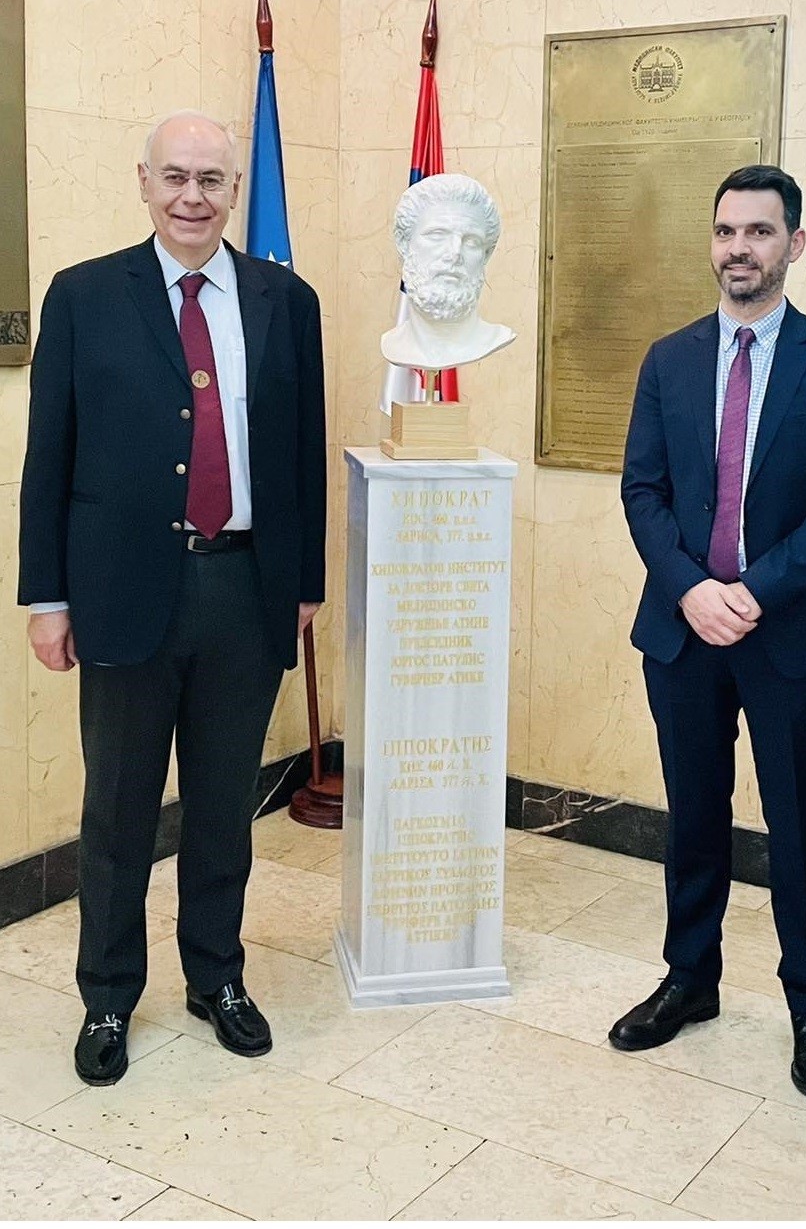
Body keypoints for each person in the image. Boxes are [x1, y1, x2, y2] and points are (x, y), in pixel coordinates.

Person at [18, 110, 327, 1087]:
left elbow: (303, 450)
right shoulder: (83, 295)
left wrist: (304, 584)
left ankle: (217, 977)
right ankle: (109, 995)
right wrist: (46, 596)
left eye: (211, 179)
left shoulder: (287, 300)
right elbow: (49, 455)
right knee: (117, 810)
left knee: (224, 807)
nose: (193, 196)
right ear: (144, 181)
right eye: (176, 177)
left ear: (234, 191)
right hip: (120, 591)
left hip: (246, 586)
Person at [613, 164, 806, 1098]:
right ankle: (690, 979)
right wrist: (692, 589)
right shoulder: (669, 358)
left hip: (790, 635)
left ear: (793, 244)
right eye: (726, 231)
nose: (740, 249)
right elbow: (642, 490)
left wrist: (752, 592)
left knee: (798, 824)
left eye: (760, 232)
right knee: (693, 812)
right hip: (682, 630)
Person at [379, 174, 514, 394]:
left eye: (471, 241)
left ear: (486, 255)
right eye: (437, 234)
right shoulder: (392, 344)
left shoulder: (495, 339)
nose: (454, 253)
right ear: (404, 244)